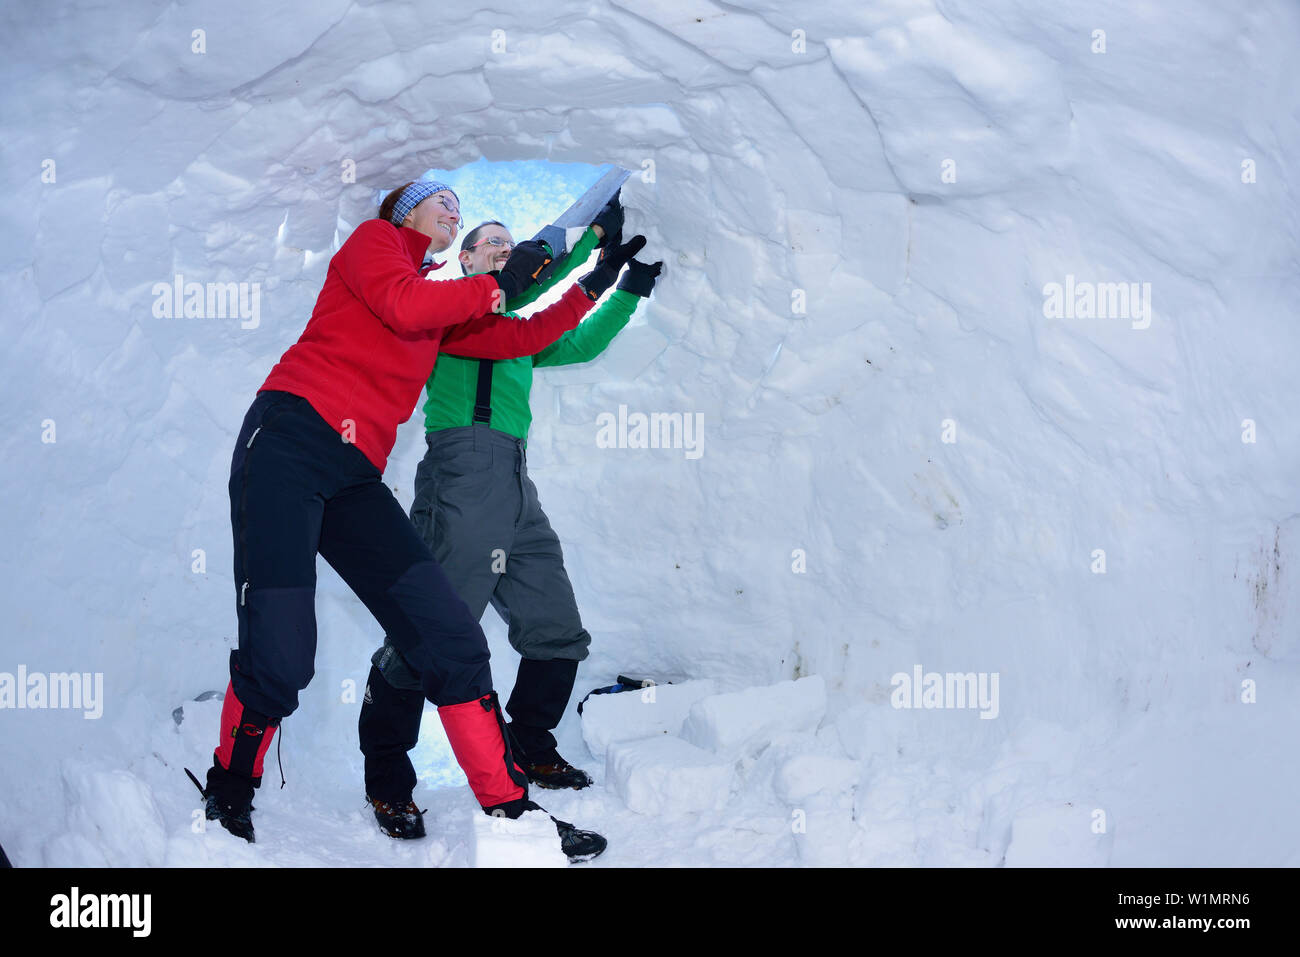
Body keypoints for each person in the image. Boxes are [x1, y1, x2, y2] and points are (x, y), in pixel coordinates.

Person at [198, 178, 646, 861]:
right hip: (290, 439)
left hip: (354, 474)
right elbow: (408, 303)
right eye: (445, 202)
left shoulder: (448, 308)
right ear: (407, 211)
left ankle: (510, 805)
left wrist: (595, 265)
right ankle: (230, 786)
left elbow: (526, 330)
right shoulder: (377, 246)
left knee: (451, 636)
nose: (455, 211)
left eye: (461, 209)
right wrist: (516, 273)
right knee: (284, 655)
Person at [357, 195, 662, 839]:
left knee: (556, 625)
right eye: (490, 241)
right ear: (464, 259)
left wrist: (628, 286)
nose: (502, 249)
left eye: (508, 241)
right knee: (430, 632)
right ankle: (387, 780)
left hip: (516, 479)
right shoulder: (448, 313)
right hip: (461, 474)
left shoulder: (518, 334)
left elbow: (576, 342)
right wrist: (587, 245)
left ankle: (529, 742)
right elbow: (533, 282)